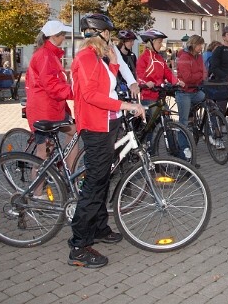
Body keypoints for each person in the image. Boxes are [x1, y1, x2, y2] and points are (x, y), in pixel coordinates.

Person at [68, 13, 145, 268]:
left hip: (107, 122)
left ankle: (99, 227)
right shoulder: (86, 57)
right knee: (93, 185)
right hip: (96, 126)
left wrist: (113, 64)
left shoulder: (99, 58)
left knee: (102, 180)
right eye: (108, 32)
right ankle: (79, 245)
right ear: (99, 33)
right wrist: (125, 104)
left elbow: (106, 87)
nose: (111, 37)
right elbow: (91, 95)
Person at [25, 20, 76, 165]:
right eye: (63, 35)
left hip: (53, 109)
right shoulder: (44, 55)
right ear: (54, 36)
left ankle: (67, 175)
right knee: (43, 154)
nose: (64, 37)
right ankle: (37, 188)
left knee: (74, 132)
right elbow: (51, 85)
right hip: (44, 111)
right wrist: (75, 92)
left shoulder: (51, 54)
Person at [136, 29, 188, 157]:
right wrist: (146, 83)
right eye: (159, 42)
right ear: (150, 42)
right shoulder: (144, 58)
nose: (161, 45)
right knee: (152, 128)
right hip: (148, 97)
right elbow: (139, 76)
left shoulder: (159, 57)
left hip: (159, 96)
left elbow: (167, 72)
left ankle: (176, 155)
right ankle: (150, 154)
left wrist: (177, 81)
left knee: (167, 124)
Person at [175, 35, 210, 151]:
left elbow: (204, 72)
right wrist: (199, 76)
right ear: (194, 44)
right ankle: (183, 148)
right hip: (184, 92)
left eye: (202, 45)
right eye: (200, 45)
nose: (201, 47)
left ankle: (198, 124)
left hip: (195, 90)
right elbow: (187, 77)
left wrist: (199, 76)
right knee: (183, 121)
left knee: (207, 99)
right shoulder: (184, 56)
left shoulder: (199, 57)